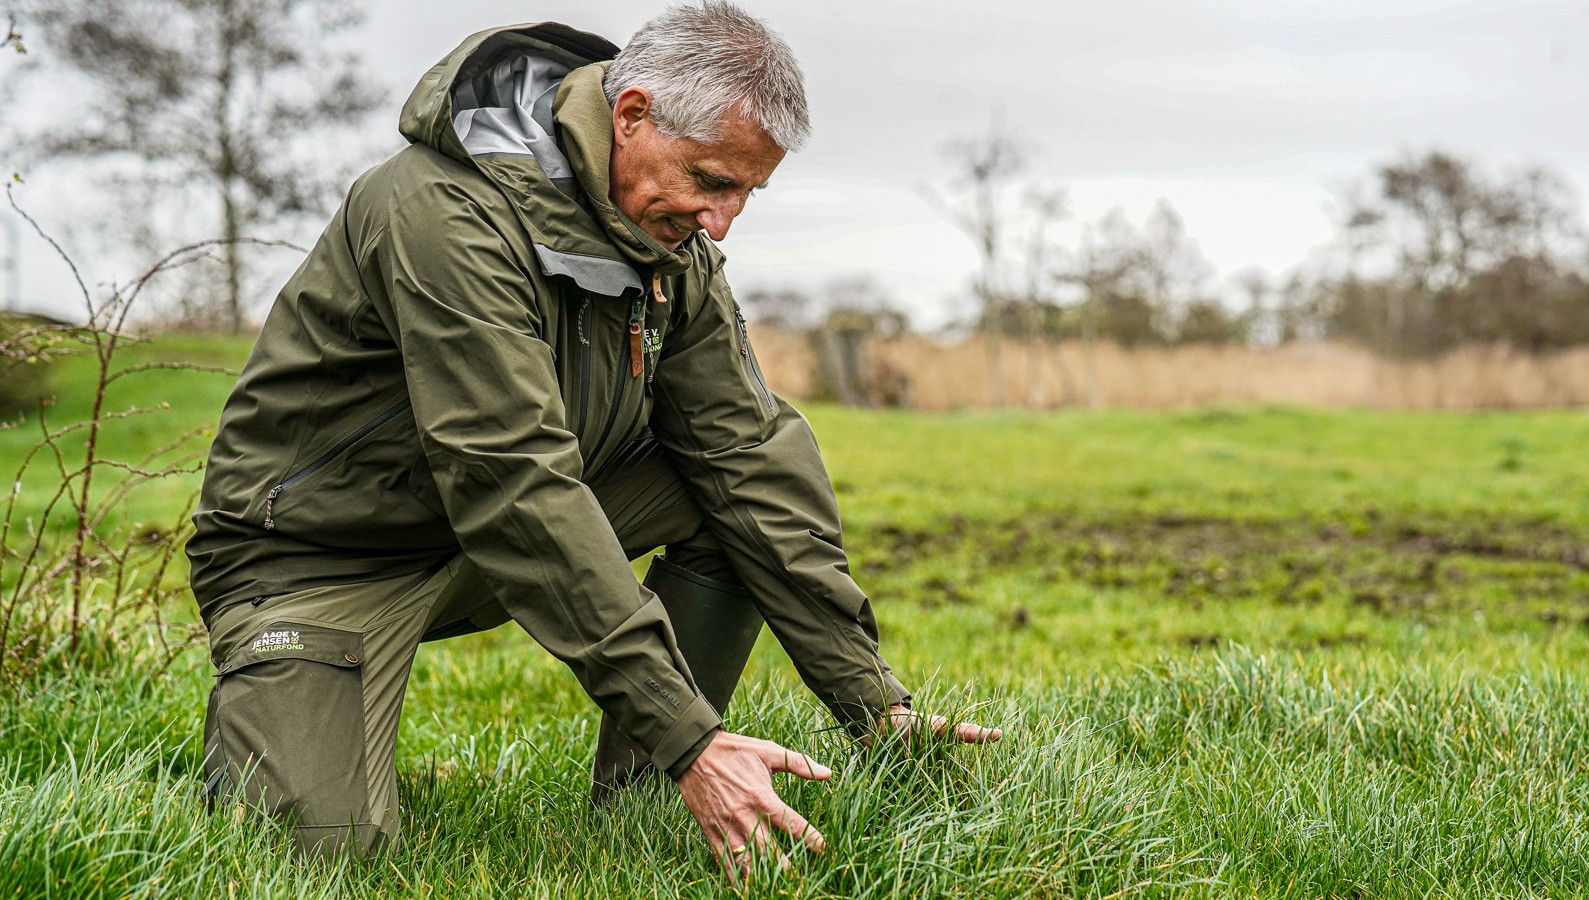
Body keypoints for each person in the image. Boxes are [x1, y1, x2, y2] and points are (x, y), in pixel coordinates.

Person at [187, 0, 998, 881]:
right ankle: (685, 756)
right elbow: (512, 479)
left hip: (485, 534)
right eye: (711, 181)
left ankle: (648, 800)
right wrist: (693, 731)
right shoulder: (440, 213)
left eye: (744, 194)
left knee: (728, 499)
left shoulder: (668, 239)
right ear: (633, 113)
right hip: (326, 555)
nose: (721, 222)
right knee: (315, 861)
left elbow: (750, 455)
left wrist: (872, 700)